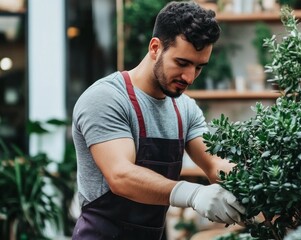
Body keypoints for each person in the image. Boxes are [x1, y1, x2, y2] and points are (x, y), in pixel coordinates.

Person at [71, 1, 245, 239]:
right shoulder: (106, 98)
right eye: (182, 63)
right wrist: (193, 194)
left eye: (199, 67)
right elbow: (121, 176)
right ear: (155, 48)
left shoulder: (185, 109)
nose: (190, 77)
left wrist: (261, 185)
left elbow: (215, 164)